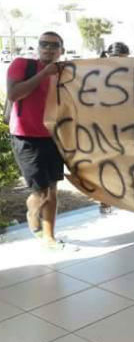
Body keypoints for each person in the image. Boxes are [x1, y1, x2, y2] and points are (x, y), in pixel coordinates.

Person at [6, 31, 72, 250]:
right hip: (26, 138)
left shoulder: (65, 73)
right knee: (40, 192)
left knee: (52, 190)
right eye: (44, 44)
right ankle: (31, 213)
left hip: (54, 138)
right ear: (38, 47)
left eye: (54, 45)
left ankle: (49, 237)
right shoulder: (22, 65)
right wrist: (44, 74)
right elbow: (14, 94)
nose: (49, 48)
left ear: (61, 50)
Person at [98, 42, 131, 215]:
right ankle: (105, 201)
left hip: (127, 130)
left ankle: (120, 200)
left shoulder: (129, 75)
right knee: (106, 166)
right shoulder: (98, 74)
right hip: (105, 130)